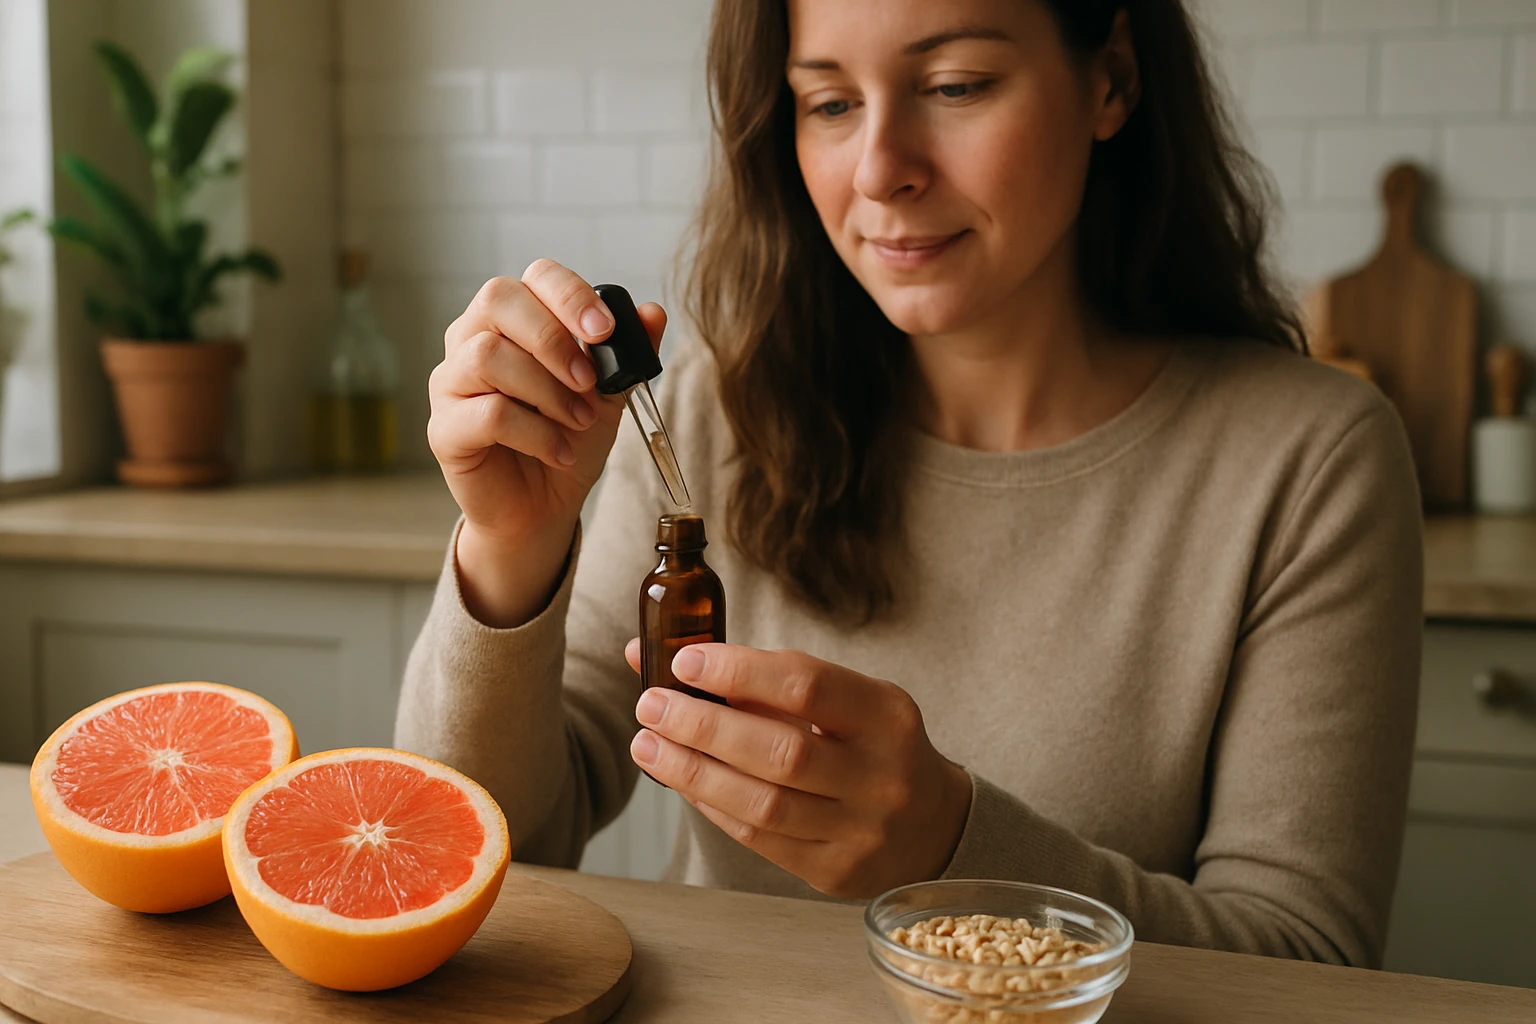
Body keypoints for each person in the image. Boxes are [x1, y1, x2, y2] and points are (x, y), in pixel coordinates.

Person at [397, 0, 1422, 969]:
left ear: (1110, 77)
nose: (881, 170)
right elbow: (483, 844)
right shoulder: (711, 418)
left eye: (957, 85)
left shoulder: (1310, 461)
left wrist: (950, 846)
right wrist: (511, 547)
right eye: (830, 102)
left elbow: (1306, 968)